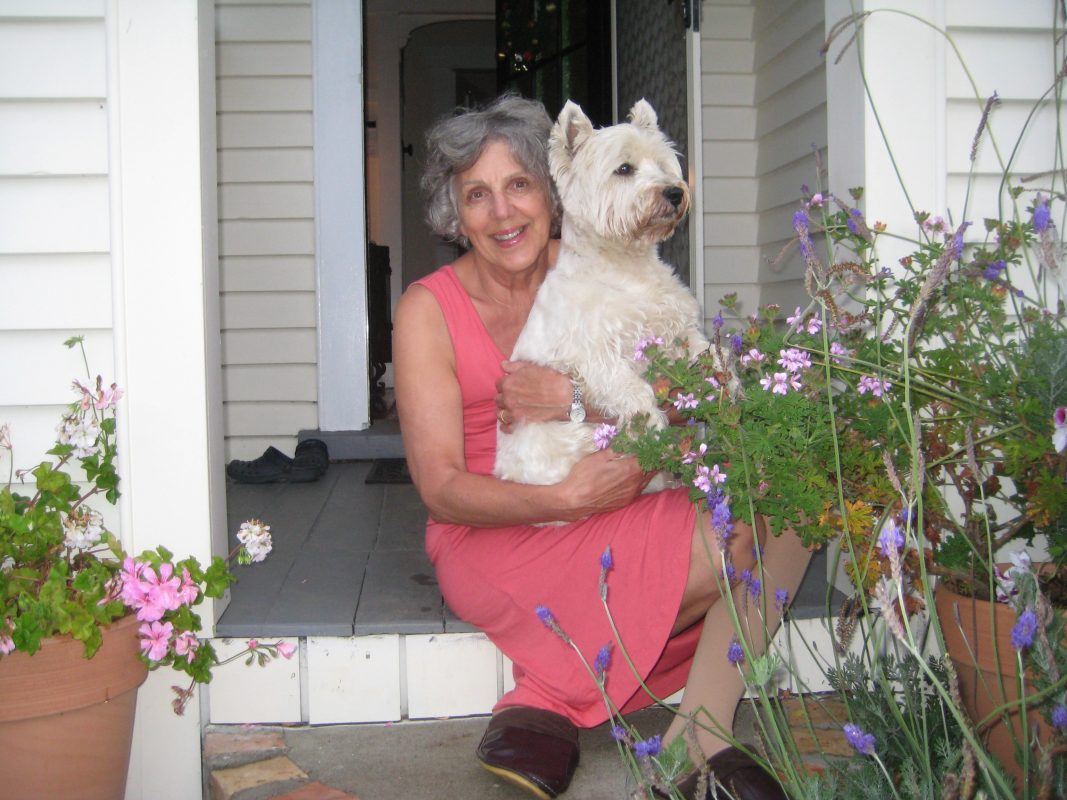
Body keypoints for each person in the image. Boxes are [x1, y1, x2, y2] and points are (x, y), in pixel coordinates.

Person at [392, 93, 811, 800]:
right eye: (476, 195)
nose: (502, 213)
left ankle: (689, 733)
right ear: (453, 214)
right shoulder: (427, 309)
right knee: (730, 536)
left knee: (796, 504)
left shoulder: (606, 261)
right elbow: (439, 486)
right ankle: (573, 697)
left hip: (617, 494)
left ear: (555, 191)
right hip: (498, 525)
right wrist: (562, 496)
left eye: (518, 185)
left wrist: (577, 401)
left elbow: (688, 399)